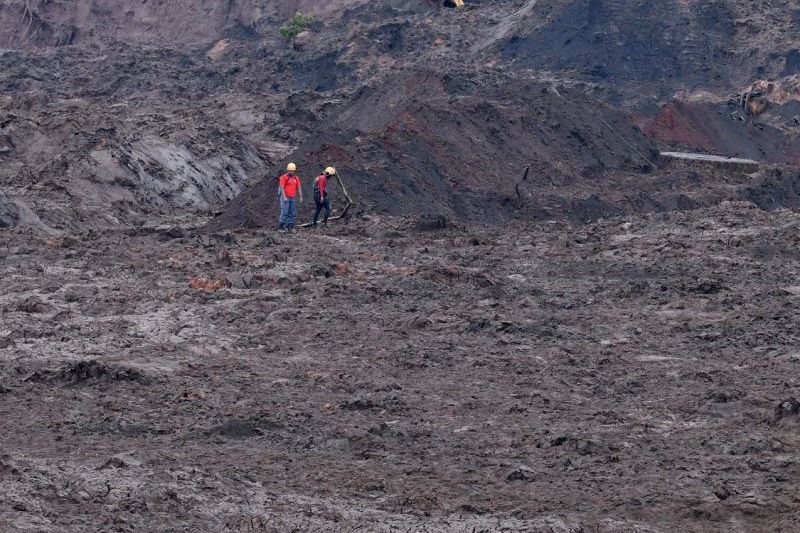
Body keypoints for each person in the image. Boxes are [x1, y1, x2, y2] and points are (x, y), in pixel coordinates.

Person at [278, 163, 302, 232]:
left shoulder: (296, 178)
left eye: (293, 171)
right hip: (285, 197)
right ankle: (281, 227)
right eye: (290, 171)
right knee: (284, 212)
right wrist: (284, 197)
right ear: (287, 170)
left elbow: (299, 187)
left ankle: (290, 227)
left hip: (292, 197)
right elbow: (282, 187)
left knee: (292, 212)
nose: (291, 172)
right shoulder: (284, 177)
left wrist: (300, 196)